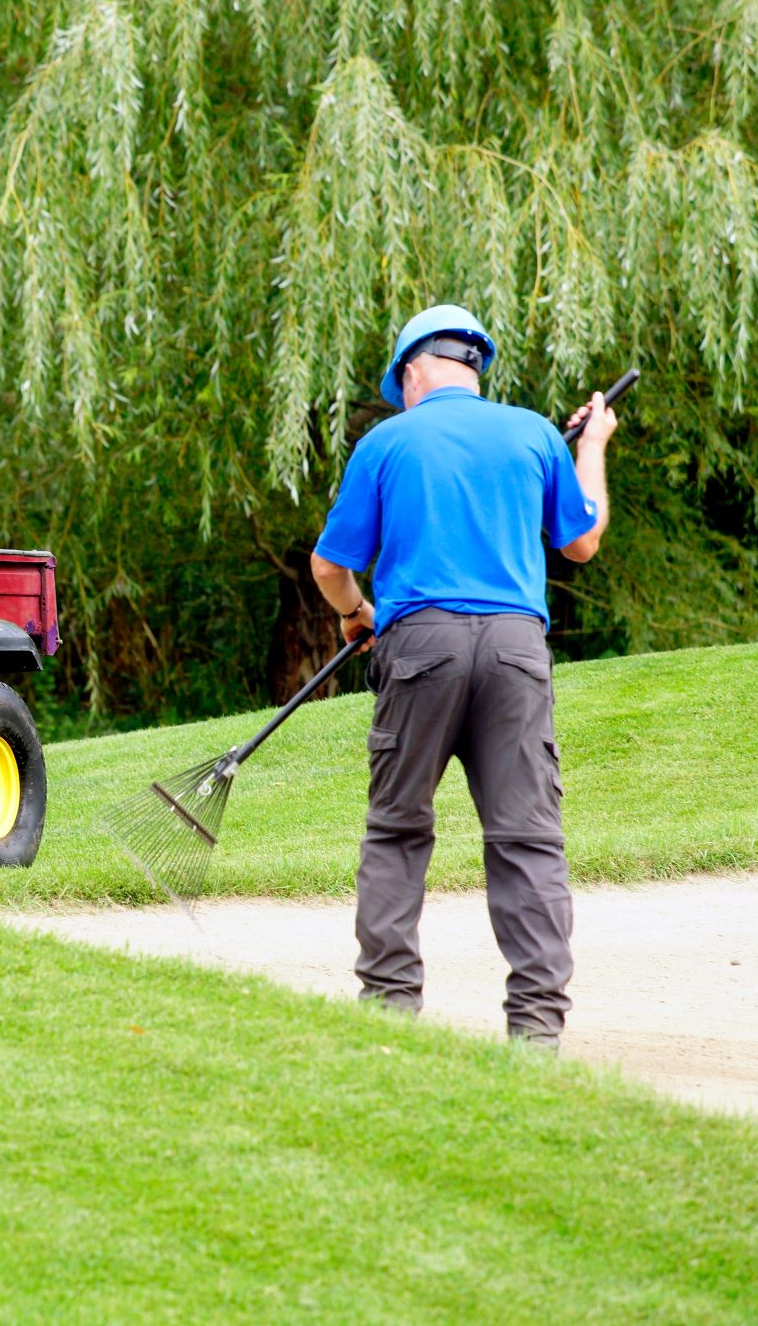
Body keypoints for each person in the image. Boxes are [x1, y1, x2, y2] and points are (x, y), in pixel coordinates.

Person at [307, 304, 617, 1050]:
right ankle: (537, 1030)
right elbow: (583, 541)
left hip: (420, 646)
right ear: (474, 365)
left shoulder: (387, 441)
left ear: (414, 372)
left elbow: (329, 566)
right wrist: (594, 445)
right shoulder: (536, 434)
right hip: (516, 650)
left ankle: (388, 1012)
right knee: (526, 837)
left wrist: (356, 614)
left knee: (397, 828)